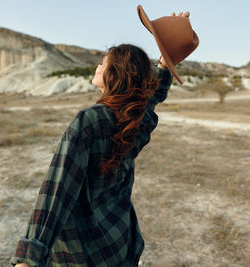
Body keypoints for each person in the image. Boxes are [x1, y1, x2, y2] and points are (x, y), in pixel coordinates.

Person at [10, 11, 190, 267]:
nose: (98, 66)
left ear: (115, 74)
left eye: (104, 62)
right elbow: (154, 95)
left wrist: (28, 258)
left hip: (82, 253)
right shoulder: (137, 119)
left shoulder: (89, 120)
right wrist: (166, 60)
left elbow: (56, 190)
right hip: (118, 240)